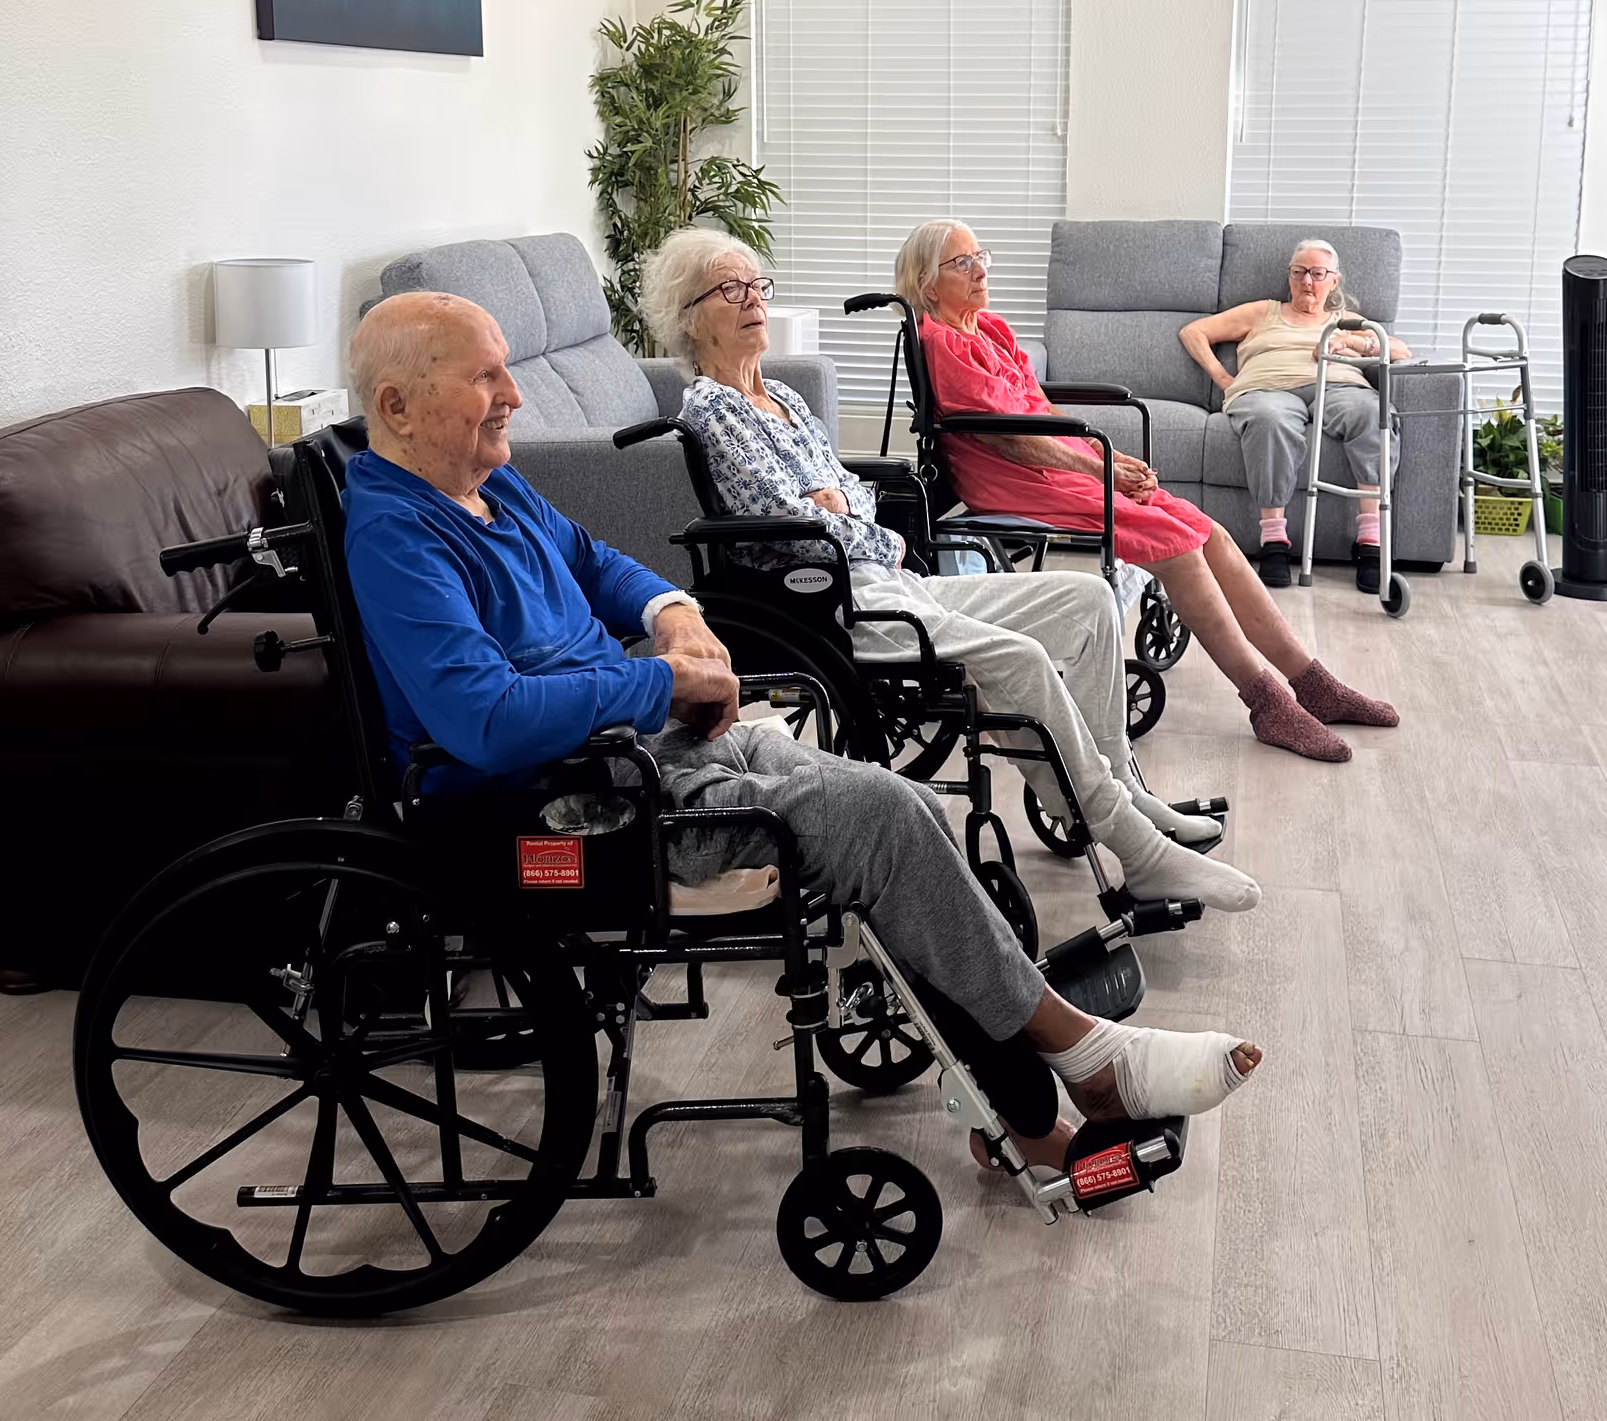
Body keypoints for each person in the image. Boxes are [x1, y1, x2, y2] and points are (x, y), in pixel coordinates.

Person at [339, 289, 1263, 1174]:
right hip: (568, 812)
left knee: (908, 810)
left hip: (639, 756)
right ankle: (1082, 1062)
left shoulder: (488, 486)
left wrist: (672, 614)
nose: (514, 394)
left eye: (507, 369)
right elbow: (486, 722)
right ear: (398, 406)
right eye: (486, 377)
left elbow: (597, 560)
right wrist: (660, 681)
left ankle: (1023, 1108)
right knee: (880, 820)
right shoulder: (398, 536)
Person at [640, 227, 1255, 918]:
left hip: (884, 576)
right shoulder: (712, 409)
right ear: (691, 317)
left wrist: (844, 507)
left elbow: (853, 495)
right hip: (834, 601)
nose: (754, 299)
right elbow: (799, 530)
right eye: (731, 289)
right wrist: (852, 518)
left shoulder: (785, 398)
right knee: (1020, 657)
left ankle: (1124, 792)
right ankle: (1135, 847)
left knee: (1087, 600)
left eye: (757, 285)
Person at [901, 221, 1399, 763]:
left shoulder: (990, 328)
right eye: (963, 263)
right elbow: (1014, 441)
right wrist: (1101, 469)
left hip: (1056, 467)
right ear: (928, 284)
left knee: (1207, 532)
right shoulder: (943, 343)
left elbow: (1040, 410)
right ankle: (1267, 703)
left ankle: (1313, 682)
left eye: (981, 256)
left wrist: (1107, 456)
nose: (981, 270)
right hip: (1014, 479)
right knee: (1176, 547)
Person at [1179, 239, 1412, 591]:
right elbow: (1194, 331)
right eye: (1299, 272)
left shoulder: (1344, 321)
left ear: (1333, 281)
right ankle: (1273, 542)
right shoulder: (1264, 312)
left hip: (1338, 387)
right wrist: (1224, 378)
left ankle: (1370, 543)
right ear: (1289, 276)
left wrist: (1352, 342)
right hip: (1267, 390)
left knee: (1370, 412)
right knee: (1270, 420)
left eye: (1317, 274)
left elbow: (1400, 350)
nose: (1306, 281)